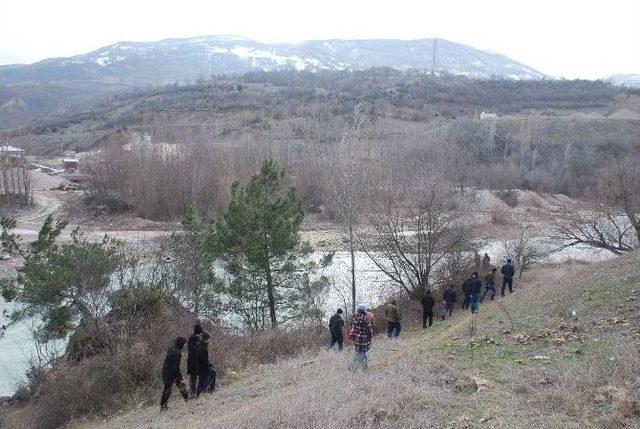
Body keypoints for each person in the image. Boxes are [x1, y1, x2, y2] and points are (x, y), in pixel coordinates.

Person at [160, 336, 187, 410]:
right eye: (184, 343)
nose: (185, 345)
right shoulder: (177, 352)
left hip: (165, 370)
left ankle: (163, 406)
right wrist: (180, 376)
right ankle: (163, 407)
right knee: (174, 387)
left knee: (168, 389)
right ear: (181, 344)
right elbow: (176, 367)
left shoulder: (171, 348)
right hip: (170, 373)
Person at [350, 304, 373, 371]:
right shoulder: (365, 319)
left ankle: (365, 367)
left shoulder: (354, 317)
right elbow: (369, 330)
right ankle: (353, 367)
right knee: (361, 353)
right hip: (364, 339)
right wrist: (370, 337)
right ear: (364, 310)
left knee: (360, 352)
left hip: (356, 338)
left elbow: (352, 327)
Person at [196, 331, 216, 395]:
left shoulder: (199, 344)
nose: (210, 340)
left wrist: (209, 364)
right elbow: (204, 360)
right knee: (212, 373)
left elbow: (204, 359)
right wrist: (208, 366)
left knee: (201, 379)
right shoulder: (203, 348)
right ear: (206, 339)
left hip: (198, 366)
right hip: (202, 367)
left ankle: (199, 392)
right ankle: (210, 390)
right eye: (209, 338)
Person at [186, 323, 203, 398]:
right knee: (194, 377)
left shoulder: (191, 338)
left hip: (192, 361)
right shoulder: (195, 339)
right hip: (195, 361)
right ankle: (193, 392)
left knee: (193, 377)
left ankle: (193, 391)